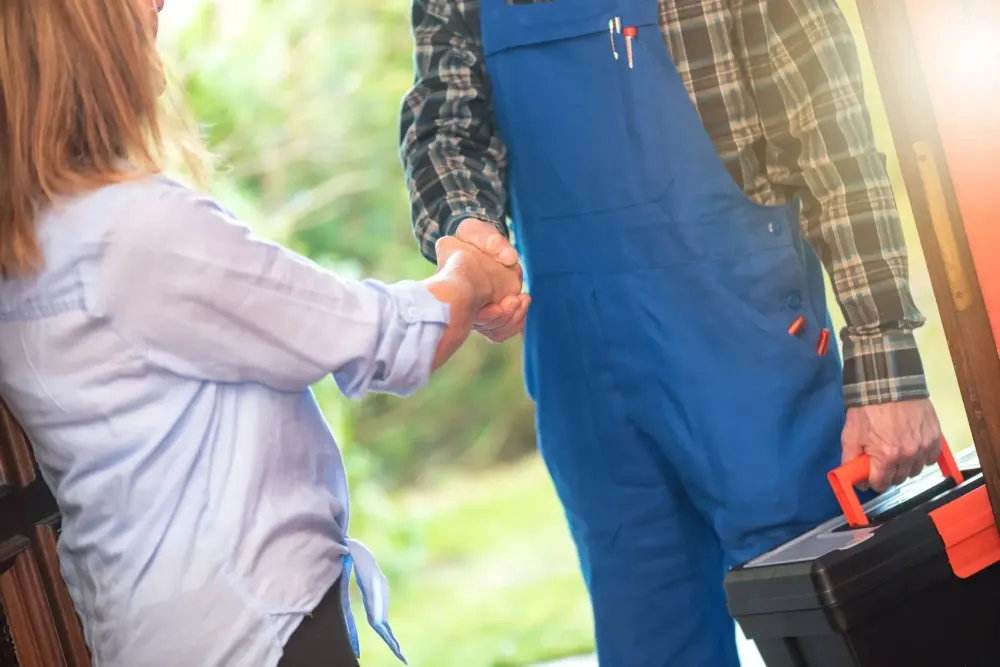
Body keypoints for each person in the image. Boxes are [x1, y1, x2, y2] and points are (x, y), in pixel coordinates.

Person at [400, 0, 944, 664]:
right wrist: (467, 237)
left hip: (751, 349)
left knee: (835, 625)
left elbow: (834, 138)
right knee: (651, 643)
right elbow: (444, 124)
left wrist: (887, 359)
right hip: (584, 369)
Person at [0, 1, 522, 665]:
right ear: (80, 36)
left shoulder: (32, 242)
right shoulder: (137, 232)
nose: (158, 3)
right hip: (253, 633)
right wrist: (470, 268)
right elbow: (382, 337)